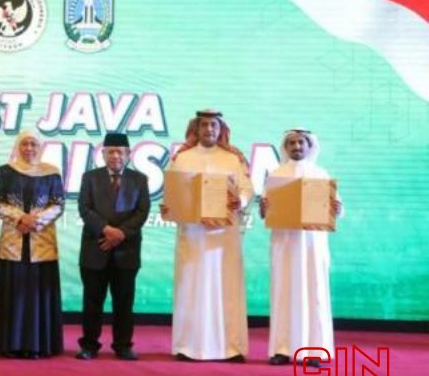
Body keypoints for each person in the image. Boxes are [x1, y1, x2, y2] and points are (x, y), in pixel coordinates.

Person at [162, 109, 253, 362]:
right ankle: (188, 346)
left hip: (223, 239)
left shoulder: (233, 159)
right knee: (191, 288)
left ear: (220, 129)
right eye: (204, 125)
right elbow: (172, 194)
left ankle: (230, 348)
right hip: (192, 236)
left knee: (226, 289)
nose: (209, 130)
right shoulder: (182, 158)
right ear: (196, 129)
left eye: (213, 125)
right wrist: (170, 207)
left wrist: (240, 200)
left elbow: (247, 189)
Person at [261, 129, 342, 367]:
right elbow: (266, 211)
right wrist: (264, 208)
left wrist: (336, 209)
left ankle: (314, 352)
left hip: (312, 246)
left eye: (301, 142)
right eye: (292, 143)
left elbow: (337, 207)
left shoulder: (320, 174)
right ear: (285, 148)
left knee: (314, 294)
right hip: (285, 245)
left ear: (309, 146)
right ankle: (282, 350)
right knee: (283, 294)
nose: (296, 147)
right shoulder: (276, 175)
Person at [0, 131, 65, 358]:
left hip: (41, 243)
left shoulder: (51, 172)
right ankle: (10, 345)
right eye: (24, 144)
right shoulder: (6, 171)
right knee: (13, 294)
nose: (29, 148)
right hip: (13, 241)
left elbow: (58, 204)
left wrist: (35, 220)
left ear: (40, 147)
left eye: (33, 144)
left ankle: (38, 345)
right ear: (17, 146)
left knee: (36, 294)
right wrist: (20, 218)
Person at [76, 132, 150, 361]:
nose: (115, 156)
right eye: (111, 151)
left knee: (124, 303)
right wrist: (106, 230)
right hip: (95, 248)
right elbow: (84, 208)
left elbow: (142, 212)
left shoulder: (139, 179)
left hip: (126, 251)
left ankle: (123, 345)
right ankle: (89, 345)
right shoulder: (90, 177)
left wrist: (120, 234)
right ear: (103, 154)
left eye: (120, 152)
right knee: (92, 302)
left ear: (128, 154)